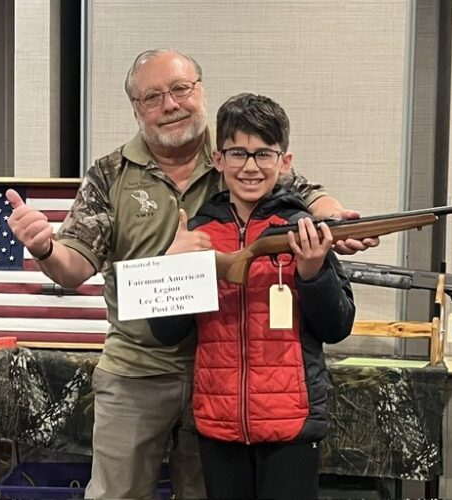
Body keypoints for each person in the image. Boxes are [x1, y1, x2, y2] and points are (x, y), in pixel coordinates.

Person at [5, 48, 375, 499]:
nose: (170, 104)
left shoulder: (236, 154)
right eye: (152, 97)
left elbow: (305, 193)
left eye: (180, 89)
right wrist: (43, 246)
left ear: (200, 91)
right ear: (136, 109)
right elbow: (73, 267)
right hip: (138, 368)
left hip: (218, 376)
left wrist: (335, 220)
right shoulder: (109, 173)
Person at [150, 92, 355, 499]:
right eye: (238, 153)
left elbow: (337, 326)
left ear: (285, 161)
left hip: (292, 422)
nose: (250, 166)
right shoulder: (198, 231)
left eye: (264, 154)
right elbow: (166, 332)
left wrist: (312, 273)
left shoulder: (302, 227)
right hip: (218, 421)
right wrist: (175, 266)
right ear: (218, 159)